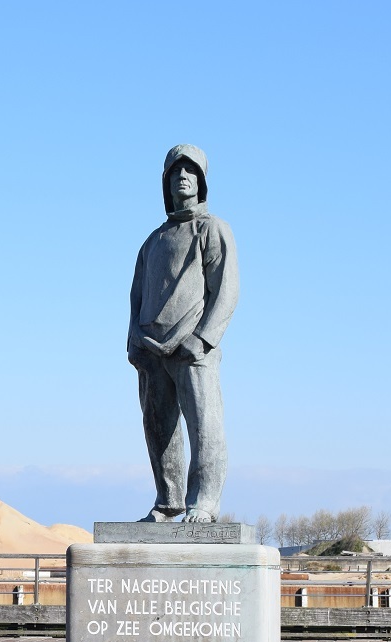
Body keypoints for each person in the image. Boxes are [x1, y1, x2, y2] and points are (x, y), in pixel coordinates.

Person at [127, 144, 239, 523]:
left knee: (204, 424)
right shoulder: (153, 241)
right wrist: (134, 343)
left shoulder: (212, 229)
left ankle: (204, 503)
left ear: (202, 181)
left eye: (191, 172)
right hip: (151, 349)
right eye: (176, 172)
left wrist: (203, 338)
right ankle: (168, 500)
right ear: (166, 182)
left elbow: (226, 290)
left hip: (193, 346)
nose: (183, 178)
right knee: (158, 429)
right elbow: (136, 295)